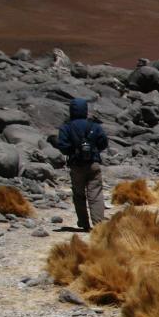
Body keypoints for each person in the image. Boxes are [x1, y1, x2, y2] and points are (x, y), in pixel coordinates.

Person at [57, 98, 108, 231]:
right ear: (85, 110)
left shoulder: (66, 127)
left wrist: (73, 150)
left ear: (71, 110)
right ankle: (99, 225)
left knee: (79, 194)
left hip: (76, 165)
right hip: (93, 164)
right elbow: (103, 143)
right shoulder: (94, 126)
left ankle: (84, 223)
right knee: (95, 194)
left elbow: (62, 146)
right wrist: (94, 150)